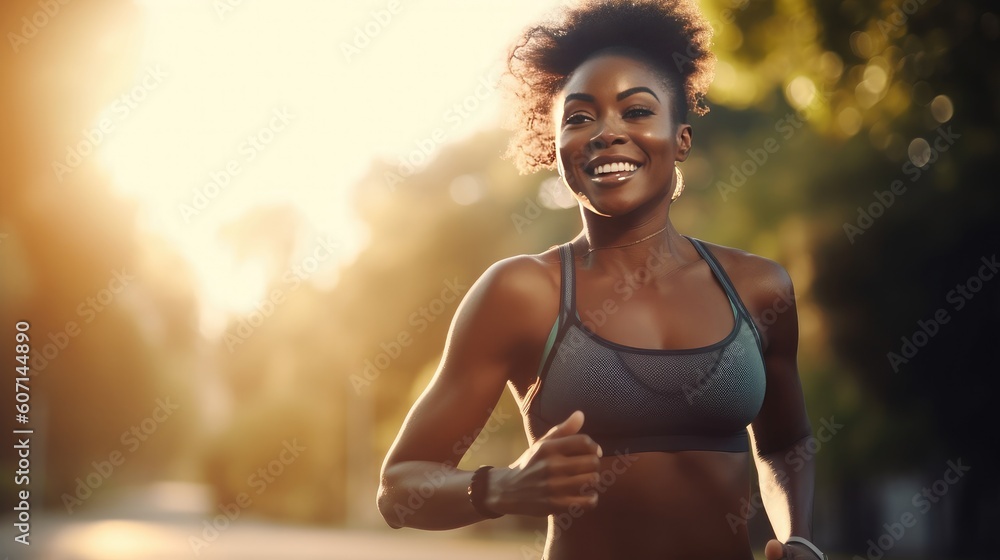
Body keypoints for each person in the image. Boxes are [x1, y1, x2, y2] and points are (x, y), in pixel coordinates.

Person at [377, 1, 826, 558]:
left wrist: (800, 537)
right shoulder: (521, 294)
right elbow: (399, 488)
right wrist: (501, 487)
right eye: (580, 117)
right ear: (557, 150)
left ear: (681, 138)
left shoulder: (760, 289)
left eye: (636, 111)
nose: (606, 133)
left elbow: (786, 443)